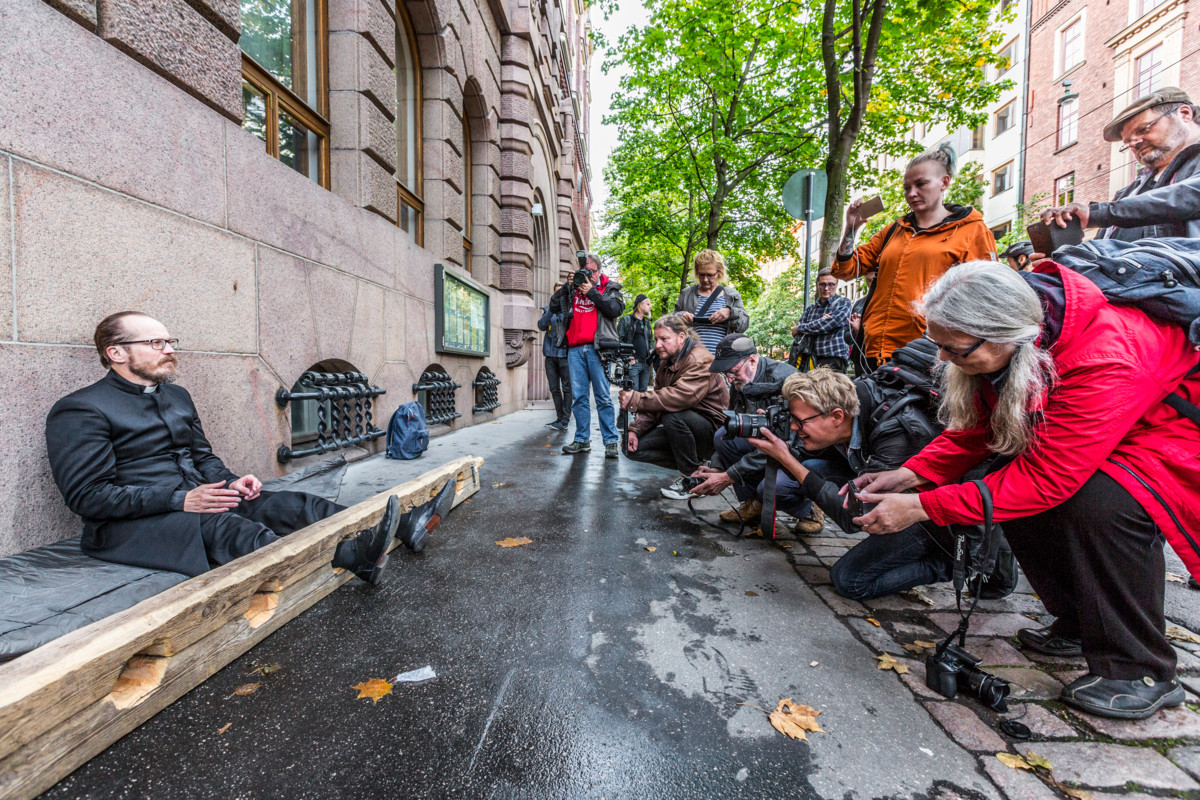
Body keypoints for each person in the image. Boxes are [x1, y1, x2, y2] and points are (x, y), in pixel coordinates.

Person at [853, 260, 1200, 719]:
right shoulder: (1015, 342)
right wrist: (912, 473)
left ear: (1000, 336)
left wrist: (921, 506)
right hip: (1104, 423)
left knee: (1101, 503)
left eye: (953, 349)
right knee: (1007, 490)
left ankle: (1141, 667)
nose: (942, 358)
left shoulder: (1104, 356)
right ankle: (1082, 620)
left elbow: (1046, 479)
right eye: (938, 344)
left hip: (1168, 431)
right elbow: (985, 426)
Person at [44, 312, 403, 585]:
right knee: (234, 530)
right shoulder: (81, 409)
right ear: (116, 352)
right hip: (128, 527)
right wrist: (179, 500)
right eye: (155, 343)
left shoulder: (177, 396)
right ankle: (349, 556)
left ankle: (400, 526)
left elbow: (202, 457)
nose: (170, 350)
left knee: (294, 505)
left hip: (199, 499)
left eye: (169, 341)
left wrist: (231, 482)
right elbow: (87, 496)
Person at [746, 368, 964, 601]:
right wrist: (778, 435)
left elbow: (857, 517)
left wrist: (786, 459)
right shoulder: (849, 413)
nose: (793, 427)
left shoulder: (896, 433)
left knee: (849, 581)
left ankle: (948, 563)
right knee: (812, 467)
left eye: (799, 421)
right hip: (889, 484)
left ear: (837, 417)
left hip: (934, 519)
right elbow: (809, 455)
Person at [833, 144, 998, 369]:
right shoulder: (893, 231)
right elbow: (845, 270)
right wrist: (851, 228)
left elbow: (986, 298)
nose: (911, 193)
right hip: (874, 351)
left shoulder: (973, 231)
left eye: (921, 184)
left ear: (944, 182)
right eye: (907, 187)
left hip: (929, 353)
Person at [686, 334, 830, 535]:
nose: (730, 378)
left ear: (752, 360)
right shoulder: (740, 383)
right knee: (722, 436)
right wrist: (718, 467)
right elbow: (733, 425)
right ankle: (754, 503)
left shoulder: (786, 380)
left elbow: (784, 445)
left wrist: (729, 476)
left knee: (771, 488)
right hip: (771, 443)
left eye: (733, 371)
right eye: (726, 374)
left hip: (799, 452)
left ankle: (809, 510)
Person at [1042, 88, 1200, 241]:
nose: (1134, 143)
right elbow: (1107, 247)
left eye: (1143, 129)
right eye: (1128, 142)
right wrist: (1065, 252)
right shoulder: (1129, 192)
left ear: (1184, 114)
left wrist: (1097, 213)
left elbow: (1188, 195)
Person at [619, 314, 730, 499]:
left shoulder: (699, 358)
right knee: (631, 448)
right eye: (656, 339)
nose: (657, 345)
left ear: (681, 337)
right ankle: (699, 469)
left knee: (673, 414)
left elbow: (681, 397)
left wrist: (636, 399)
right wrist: (635, 430)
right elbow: (658, 403)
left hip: (714, 432)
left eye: (664, 339)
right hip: (686, 427)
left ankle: (692, 480)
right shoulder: (667, 361)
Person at [550, 254, 626, 457]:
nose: (587, 275)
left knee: (603, 397)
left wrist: (591, 292)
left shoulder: (609, 288)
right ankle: (582, 440)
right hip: (575, 349)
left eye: (591, 271)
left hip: (598, 349)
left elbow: (615, 309)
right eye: (584, 271)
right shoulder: (572, 288)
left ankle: (611, 442)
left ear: (599, 271)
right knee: (579, 398)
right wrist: (566, 287)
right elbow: (553, 307)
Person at [674, 250, 749, 355]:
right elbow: (671, 325)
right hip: (691, 359)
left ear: (719, 272)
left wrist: (730, 312)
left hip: (722, 359)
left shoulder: (731, 295)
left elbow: (743, 326)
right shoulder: (687, 294)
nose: (705, 279)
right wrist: (680, 316)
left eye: (710, 275)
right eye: (701, 275)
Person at [790, 269, 853, 373]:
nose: (826, 288)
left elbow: (828, 324)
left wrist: (802, 328)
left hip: (833, 359)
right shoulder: (810, 309)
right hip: (809, 359)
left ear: (837, 284)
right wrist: (820, 321)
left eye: (831, 284)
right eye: (823, 284)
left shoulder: (843, 303)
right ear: (817, 285)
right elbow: (798, 335)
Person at [537, 299, 572, 430]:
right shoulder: (548, 310)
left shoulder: (570, 310)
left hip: (565, 355)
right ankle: (559, 417)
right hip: (550, 355)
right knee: (554, 388)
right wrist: (551, 311)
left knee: (567, 388)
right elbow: (541, 326)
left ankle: (565, 420)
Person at [618, 293, 655, 391]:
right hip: (632, 364)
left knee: (643, 395)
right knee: (632, 394)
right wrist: (626, 357)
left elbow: (650, 340)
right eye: (648, 304)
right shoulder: (626, 320)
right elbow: (619, 340)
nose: (650, 307)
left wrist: (651, 350)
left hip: (645, 364)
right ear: (640, 305)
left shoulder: (646, 322)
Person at [846, 269, 877, 377]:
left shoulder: (891, 303)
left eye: (875, 280)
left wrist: (863, 331)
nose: (872, 284)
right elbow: (846, 336)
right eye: (869, 280)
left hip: (881, 360)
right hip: (861, 360)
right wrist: (856, 331)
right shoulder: (859, 304)